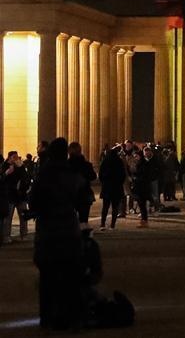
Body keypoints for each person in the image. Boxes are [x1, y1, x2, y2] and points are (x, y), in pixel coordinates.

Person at [28, 138, 87, 330]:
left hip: (48, 232)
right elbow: (82, 196)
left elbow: (33, 201)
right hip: (69, 230)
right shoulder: (71, 174)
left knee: (47, 279)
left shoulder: (43, 175)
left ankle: (47, 320)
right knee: (71, 278)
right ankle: (72, 318)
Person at [2, 151, 29, 243]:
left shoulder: (20, 166)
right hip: (10, 195)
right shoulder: (5, 166)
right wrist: (7, 173)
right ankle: (6, 236)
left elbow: (25, 177)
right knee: (8, 217)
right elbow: (3, 180)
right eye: (14, 157)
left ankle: (24, 235)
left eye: (17, 157)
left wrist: (21, 167)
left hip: (21, 195)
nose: (16, 159)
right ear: (9, 157)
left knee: (23, 216)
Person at [68, 142, 97, 226]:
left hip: (70, 195)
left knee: (70, 219)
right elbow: (93, 177)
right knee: (84, 220)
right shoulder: (86, 165)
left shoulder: (66, 165)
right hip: (84, 194)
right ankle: (83, 231)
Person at [98, 146, 126, 231]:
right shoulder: (119, 161)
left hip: (107, 187)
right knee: (115, 207)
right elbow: (123, 174)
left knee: (105, 207)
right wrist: (119, 183)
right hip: (116, 187)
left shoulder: (105, 161)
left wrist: (104, 182)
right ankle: (112, 225)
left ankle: (102, 224)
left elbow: (100, 174)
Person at [132, 147, 156, 227]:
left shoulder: (143, 164)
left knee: (142, 205)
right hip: (142, 186)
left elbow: (143, 175)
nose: (135, 158)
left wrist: (135, 178)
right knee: (142, 205)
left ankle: (144, 221)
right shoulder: (142, 163)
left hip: (142, 187)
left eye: (136, 156)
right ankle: (144, 220)